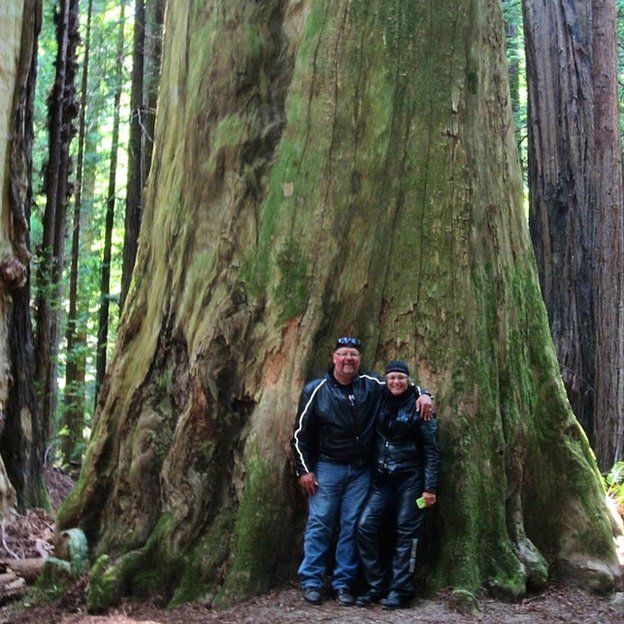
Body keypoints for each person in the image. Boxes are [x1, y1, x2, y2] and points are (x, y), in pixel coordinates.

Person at [290, 338, 432, 606]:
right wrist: (304, 470)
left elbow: (401, 384)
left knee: (351, 526)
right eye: (343, 354)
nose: (348, 359)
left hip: (361, 471)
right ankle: (312, 581)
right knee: (320, 522)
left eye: (353, 355)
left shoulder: (371, 384)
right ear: (333, 358)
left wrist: (426, 394)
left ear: (359, 358)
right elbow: (300, 434)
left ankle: (344, 582)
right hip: (327, 467)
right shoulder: (316, 389)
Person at [355, 360, 441, 609]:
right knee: (364, 527)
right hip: (382, 480)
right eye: (392, 377)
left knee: (406, 532)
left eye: (401, 378)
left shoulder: (419, 405)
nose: (396, 382)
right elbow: (363, 378)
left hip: (411, 483)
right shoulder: (379, 397)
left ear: (408, 380)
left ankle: (400, 589)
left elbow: (432, 451)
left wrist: (429, 488)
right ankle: (376, 584)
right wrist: (426, 391)